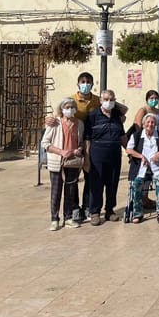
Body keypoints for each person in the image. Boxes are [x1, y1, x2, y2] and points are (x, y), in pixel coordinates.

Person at [46, 71, 101, 222]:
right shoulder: (71, 100)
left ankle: (87, 207)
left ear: (92, 84)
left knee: (90, 177)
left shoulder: (97, 100)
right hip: (73, 145)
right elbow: (58, 115)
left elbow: (113, 108)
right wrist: (48, 119)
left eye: (88, 82)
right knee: (73, 179)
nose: (85, 84)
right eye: (83, 82)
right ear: (78, 84)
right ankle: (74, 208)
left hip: (91, 144)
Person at [41, 97, 85, 230]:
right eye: (67, 107)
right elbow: (45, 143)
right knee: (56, 191)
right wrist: (61, 152)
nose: (70, 110)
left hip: (72, 162)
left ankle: (68, 217)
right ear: (62, 109)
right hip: (57, 161)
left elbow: (81, 142)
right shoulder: (55, 123)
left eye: (72, 107)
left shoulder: (79, 124)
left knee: (70, 190)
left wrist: (79, 149)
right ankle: (54, 219)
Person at [84, 89, 127, 226]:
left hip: (114, 153)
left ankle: (109, 210)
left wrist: (129, 150)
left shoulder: (116, 115)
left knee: (113, 182)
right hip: (97, 153)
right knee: (96, 183)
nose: (109, 102)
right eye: (106, 99)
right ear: (100, 100)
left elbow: (122, 135)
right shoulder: (93, 116)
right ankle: (95, 212)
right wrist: (87, 158)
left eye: (112, 99)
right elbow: (87, 139)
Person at [125, 112, 159, 223]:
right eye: (148, 122)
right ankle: (137, 213)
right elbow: (129, 150)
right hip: (141, 169)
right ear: (143, 124)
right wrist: (141, 156)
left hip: (158, 168)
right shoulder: (137, 136)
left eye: (153, 122)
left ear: (155, 124)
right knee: (136, 185)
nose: (150, 124)